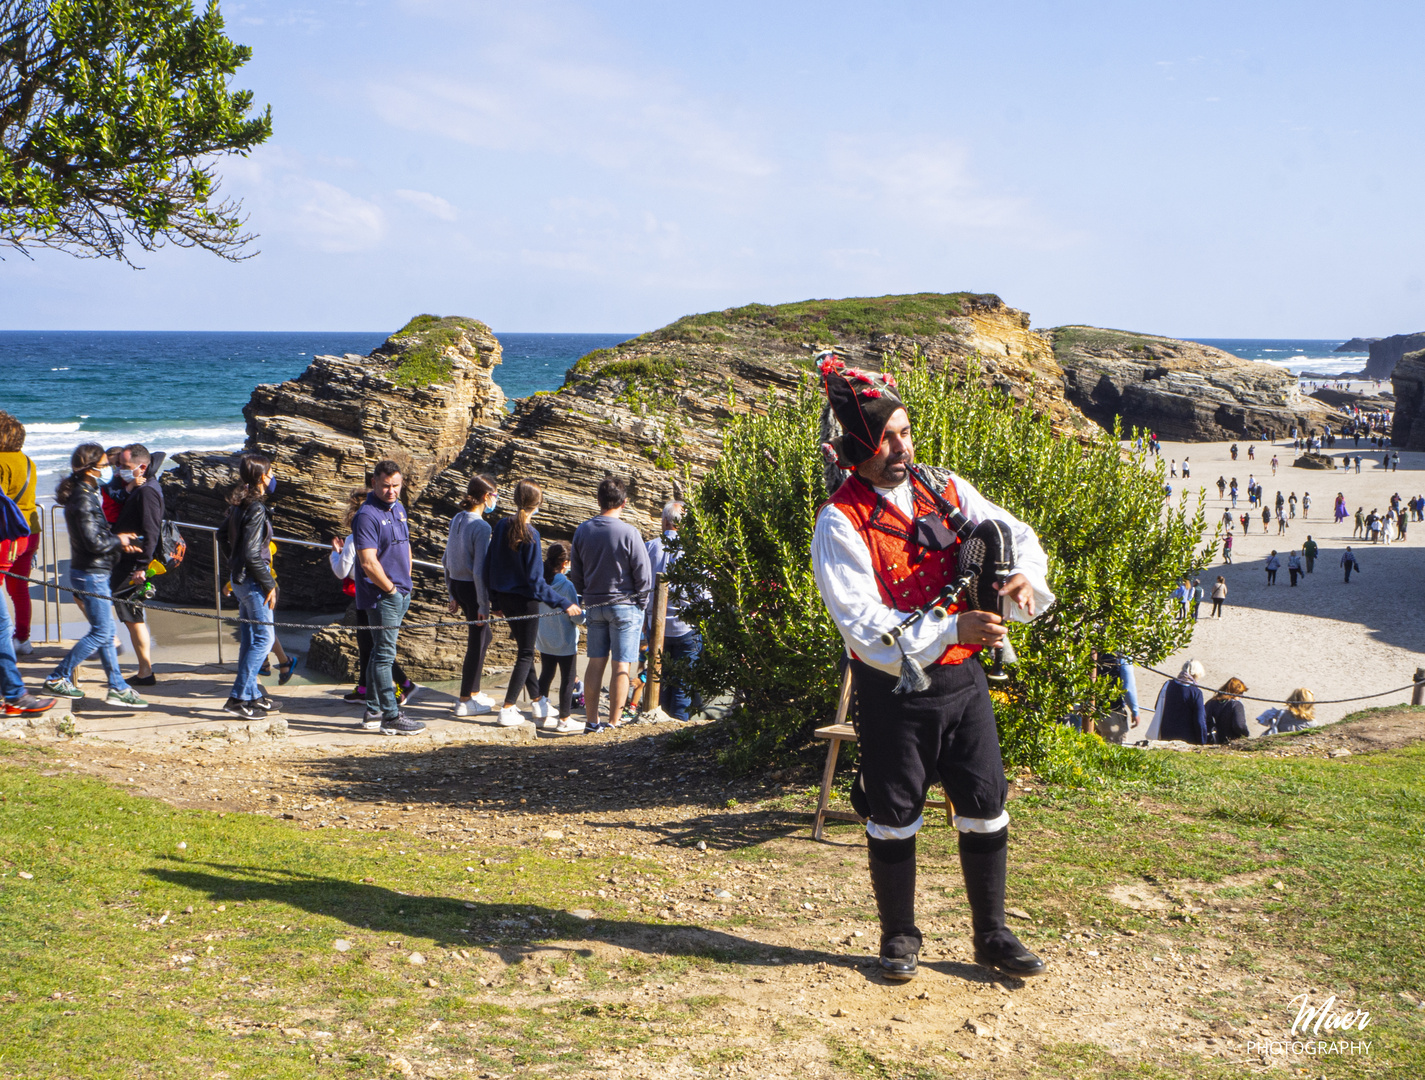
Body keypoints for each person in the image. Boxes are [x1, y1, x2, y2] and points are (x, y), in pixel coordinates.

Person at [810, 355, 1052, 981]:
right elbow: (862, 625)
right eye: (888, 436)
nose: (902, 446)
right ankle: (898, 936)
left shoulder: (943, 488)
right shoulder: (841, 521)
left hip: (963, 682)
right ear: (861, 443)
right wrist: (951, 627)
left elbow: (1013, 533)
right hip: (895, 688)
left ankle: (992, 934)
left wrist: (1026, 575)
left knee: (984, 802)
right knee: (893, 814)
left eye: (906, 432)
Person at [40, 444, 148, 710]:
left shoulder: (86, 492)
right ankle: (58, 676)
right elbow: (93, 541)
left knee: (106, 631)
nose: (109, 468)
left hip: (92, 571)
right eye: (105, 463)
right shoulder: (83, 498)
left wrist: (120, 543)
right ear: (91, 469)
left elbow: (97, 539)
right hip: (91, 573)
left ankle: (118, 686)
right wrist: (118, 539)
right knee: (101, 632)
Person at [485, 479, 583, 728]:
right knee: (526, 654)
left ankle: (538, 701)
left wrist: (494, 599)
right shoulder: (531, 534)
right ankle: (507, 707)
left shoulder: (501, 526)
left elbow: (490, 565)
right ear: (538, 504)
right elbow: (536, 582)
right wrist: (563, 603)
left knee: (523, 651)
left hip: (505, 599)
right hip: (526, 601)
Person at [569, 476, 651, 730]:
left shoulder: (583, 530)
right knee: (621, 664)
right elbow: (644, 576)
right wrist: (642, 605)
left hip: (594, 605)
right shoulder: (629, 532)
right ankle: (614, 722)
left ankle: (592, 722)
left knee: (596, 662)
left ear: (598, 501)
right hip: (625, 606)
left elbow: (576, 574)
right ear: (624, 502)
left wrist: (587, 595)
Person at [329, 486, 419, 716]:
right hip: (389, 591)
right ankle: (370, 694)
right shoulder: (386, 524)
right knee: (374, 647)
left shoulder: (352, 539)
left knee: (374, 649)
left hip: (366, 597)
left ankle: (391, 697)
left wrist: (334, 553)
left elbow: (342, 571)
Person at [352, 460, 425, 735]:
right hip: (382, 596)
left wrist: (407, 580)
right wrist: (391, 591)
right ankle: (391, 716)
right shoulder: (366, 516)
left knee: (377, 653)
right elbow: (368, 562)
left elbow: (405, 545)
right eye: (386, 486)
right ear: (374, 483)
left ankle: (372, 709)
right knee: (384, 656)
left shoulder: (398, 507)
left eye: (396, 485)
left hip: (400, 591)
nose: (391, 491)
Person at [221, 453, 284, 720]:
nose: (272, 478)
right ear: (261, 477)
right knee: (264, 639)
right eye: (269, 473)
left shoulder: (240, 504)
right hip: (254, 583)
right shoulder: (256, 508)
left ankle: (253, 695)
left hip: (241, 581)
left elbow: (221, 535)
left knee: (249, 640)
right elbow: (251, 553)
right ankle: (238, 697)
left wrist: (233, 564)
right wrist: (269, 583)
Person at [107, 444, 165, 686]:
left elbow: (152, 531)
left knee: (133, 616)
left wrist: (142, 566)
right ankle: (144, 670)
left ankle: (145, 671)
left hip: (133, 565)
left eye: (125, 466)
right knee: (131, 617)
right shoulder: (141, 487)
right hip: (126, 561)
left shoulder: (148, 491)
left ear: (142, 467)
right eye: (119, 465)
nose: (119, 470)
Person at [643, 500, 705, 721]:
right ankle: (677, 730)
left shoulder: (649, 547)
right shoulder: (694, 551)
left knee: (660, 681)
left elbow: (641, 587)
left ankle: (659, 727)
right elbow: (703, 593)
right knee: (683, 684)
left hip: (656, 626)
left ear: (664, 521)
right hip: (686, 626)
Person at [444, 474, 498, 717]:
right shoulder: (481, 526)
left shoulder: (457, 518)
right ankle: (464, 700)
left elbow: (446, 558)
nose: (496, 500)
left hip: (457, 584)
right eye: (495, 495)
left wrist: (450, 592)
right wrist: (484, 604)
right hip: (471, 588)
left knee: (484, 636)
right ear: (486, 497)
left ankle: (474, 691)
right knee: (476, 643)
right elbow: (479, 569)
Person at [0, 412, 41, 657]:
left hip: (6, 535)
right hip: (29, 531)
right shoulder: (27, 460)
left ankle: (4, 642)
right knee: (19, 589)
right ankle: (22, 638)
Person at [533, 541, 585, 734]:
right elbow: (577, 617)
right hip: (564, 641)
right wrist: (585, 615)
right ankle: (564, 719)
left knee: (545, 675)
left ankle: (540, 717)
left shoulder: (540, 581)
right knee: (568, 679)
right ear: (565, 563)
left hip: (544, 638)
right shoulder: (566, 585)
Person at [1153, 660, 1208, 744]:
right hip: (1187, 738)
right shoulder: (1195, 692)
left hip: (1166, 735)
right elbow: (1199, 720)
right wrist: (1202, 741)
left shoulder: (1168, 685)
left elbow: (1157, 706)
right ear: (1197, 674)